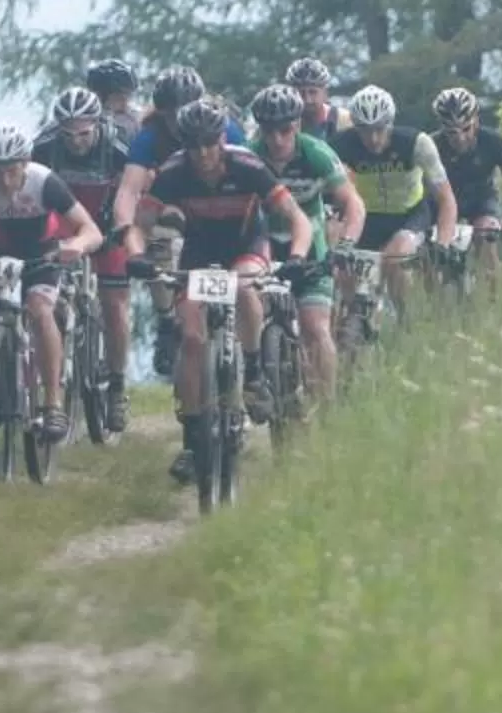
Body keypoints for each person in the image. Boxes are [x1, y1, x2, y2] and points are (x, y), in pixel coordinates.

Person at [139, 96, 311, 482]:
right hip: (200, 251)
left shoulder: (248, 166)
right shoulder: (172, 172)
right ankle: (192, 436)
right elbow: (141, 222)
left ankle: (252, 373)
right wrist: (137, 253)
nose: (203, 153)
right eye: (194, 144)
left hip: (246, 245)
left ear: (222, 138)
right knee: (192, 339)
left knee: (247, 291)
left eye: (210, 142)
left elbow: (297, 218)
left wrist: (297, 256)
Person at [0, 123, 102, 440]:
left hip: (42, 253)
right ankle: (2, 368)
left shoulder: (44, 182)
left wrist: (75, 245)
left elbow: (91, 230)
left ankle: (53, 404)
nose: (5, 180)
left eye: (12, 171)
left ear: (25, 163)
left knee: (39, 311)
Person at [114, 67, 243, 380]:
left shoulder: (227, 129)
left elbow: (251, 177)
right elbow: (129, 190)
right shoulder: (151, 136)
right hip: (174, 206)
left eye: (182, 113)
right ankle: (166, 318)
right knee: (160, 240)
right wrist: (124, 229)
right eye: (169, 115)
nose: (177, 122)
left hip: (222, 206)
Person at [247, 83, 365, 411]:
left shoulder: (317, 153)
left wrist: (346, 246)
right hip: (265, 245)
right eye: (269, 131)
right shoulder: (249, 155)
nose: (277, 140)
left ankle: (326, 409)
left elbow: (353, 205)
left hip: (310, 245)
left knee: (315, 327)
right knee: (250, 316)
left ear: (298, 125)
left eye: (285, 130)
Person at [32, 84, 137, 432]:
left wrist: (119, 231)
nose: (76, 140)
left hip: (106, 227)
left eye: (84, 133)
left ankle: (118, 384)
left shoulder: (118, 146)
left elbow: (132, 192)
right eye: (68, 134)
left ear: (98, 124)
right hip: (63, 226)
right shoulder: (44, 147)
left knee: (115, 306)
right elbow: (31, 194)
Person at [328, 85, 456, 301]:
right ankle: (350, 318)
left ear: (391, 123)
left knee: (394, 259)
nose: (374, 138)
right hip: (366, 217)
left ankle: (403, 324)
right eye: (365, 130)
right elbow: (331, 197)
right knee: (342, 267)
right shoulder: (340, 145)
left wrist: (443, 243)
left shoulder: (416, 143)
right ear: (355, 127)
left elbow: (446, 199)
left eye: (380, 129)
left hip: (410, 215)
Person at [430, 85, 502, 289]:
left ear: (476, 119)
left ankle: (492, 302)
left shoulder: (494, 142)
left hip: (481, 200)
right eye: (451, 132)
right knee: (432, 252)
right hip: (442, 203)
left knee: (486, 234)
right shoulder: (430, 146)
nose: (460, 138)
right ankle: (436, 305)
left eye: (466, 128)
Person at [84, 57, 143, 147]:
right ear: (99, 96)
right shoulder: (85, 123)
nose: (125, 101)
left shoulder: (136, 118)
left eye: (129, 95)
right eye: (119, 96)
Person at [284, 56, 341, 138]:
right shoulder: (282, 125)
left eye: (313, 92)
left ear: (325, 93)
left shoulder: (344, 121)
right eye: (301, 93)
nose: (307, 100)